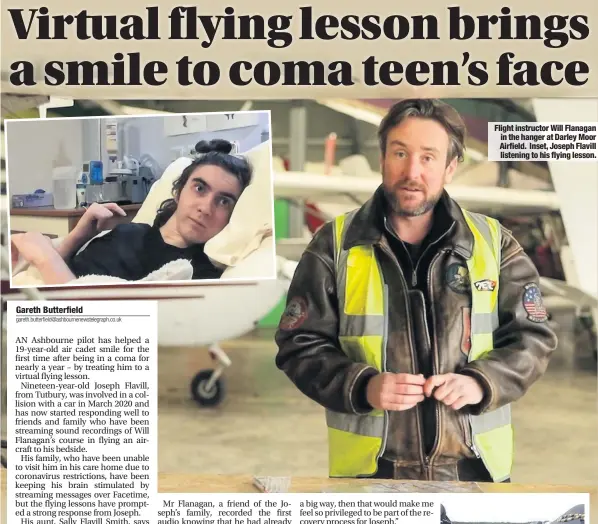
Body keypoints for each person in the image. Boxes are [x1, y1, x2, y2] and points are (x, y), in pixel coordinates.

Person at [274, 99, 557, 482]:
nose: (412, 171)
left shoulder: (495, 244)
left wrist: (480, 382)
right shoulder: (334, 246)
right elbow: (299, 344)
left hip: (475, 473)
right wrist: (363, 386)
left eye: (428, 157)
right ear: (382, 158)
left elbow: (534, 337)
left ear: (450, 167)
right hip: (372, 475)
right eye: (400, 153)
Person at [10, 139, 252, 285]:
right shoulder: (132, 231)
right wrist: (78, 237)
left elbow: (89, 317)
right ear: (178, 192)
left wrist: (44, 256)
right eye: (199, 188)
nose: (205, 207)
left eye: (223, 202)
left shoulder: (196, 272)